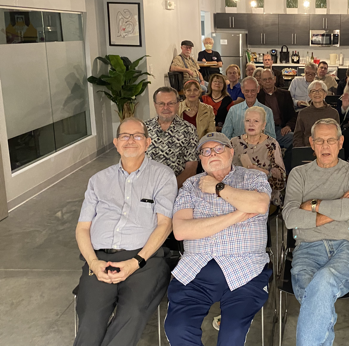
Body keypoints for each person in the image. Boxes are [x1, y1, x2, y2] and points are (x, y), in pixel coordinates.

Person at [74, 118, 177, 346]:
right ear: (116, 143)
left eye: (137, 136)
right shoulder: (98, 180)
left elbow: (165, 224)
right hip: (100, 261)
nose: (131, 141)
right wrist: (93, 263)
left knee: (132, 313)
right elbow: (82, 228)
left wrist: (136, 261)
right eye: (125, 136)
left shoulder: (163, 176)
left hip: (145, 260)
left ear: (148, 142)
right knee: (90, 319)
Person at [164, 132, 272, 346]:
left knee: (231, 334)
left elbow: (260, 205)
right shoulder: (190, 186)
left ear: (231, 152)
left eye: (219, 149)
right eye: (206, 151)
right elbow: (181, 230)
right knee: (177, 328)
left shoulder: (253, 178)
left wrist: (218, 188)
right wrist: (237, 215)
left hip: (245, 269)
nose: (212, 153)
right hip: (196, 270)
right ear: (201, 159)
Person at [282, 118, 349, 346]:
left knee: (321, 283)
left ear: (341, 142)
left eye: (331, 140)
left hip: (346, 248)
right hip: (307, 250)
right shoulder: (299, 174)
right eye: (319, 140)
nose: (325, 146)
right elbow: (290, 217)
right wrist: (339, 204)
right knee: (319, 292)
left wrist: (312, 204)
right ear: (311, 143)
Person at [231, 106, 287, 206]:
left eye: (256, 121)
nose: (251, 124)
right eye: (248, 120)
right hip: (237, 195)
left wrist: (265, 173)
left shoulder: (271, 144)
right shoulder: (233, 143)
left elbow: (281, 180)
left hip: (264, 196)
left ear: (263, 125)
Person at [145, 87, 198, 188]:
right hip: (147, 187)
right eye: (161, 103)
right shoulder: (143, 129)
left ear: (178, 104)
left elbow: (191, 167)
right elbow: (134, 161)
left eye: (171, 103)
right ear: (155, 105)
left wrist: (171, 187)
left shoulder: (189, 130)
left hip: (177, 188)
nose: (166, 107)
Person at [257, 68, 296, 150]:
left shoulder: (285, 95)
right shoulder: (257, 96)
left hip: (280, 130)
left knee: (295, 138)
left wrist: (288, 126)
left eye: (270, 78)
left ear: (274, 79)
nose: (267, 81)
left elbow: (293, 116)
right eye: (265, 79)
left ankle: (285, 162)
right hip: (263, 131)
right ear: (260, 81)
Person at [293, 80, 340, 147]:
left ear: (325, 94)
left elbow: (337, 135)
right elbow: (298, 136)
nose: (317, 93)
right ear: (309, 95)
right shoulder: (303, 113)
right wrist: (301, 152)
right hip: (308, 149)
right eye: (313, 91)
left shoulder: (333, 113)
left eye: (320, 90)